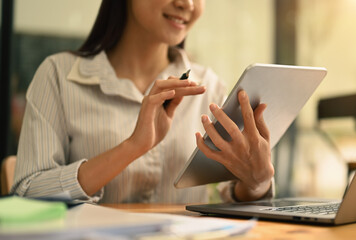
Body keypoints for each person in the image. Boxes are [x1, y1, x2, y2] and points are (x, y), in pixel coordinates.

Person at [11, 0, 274, 204]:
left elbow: (231, 194)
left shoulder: (209, 86)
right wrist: (133, 146)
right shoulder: (58, 76)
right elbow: (27, 193)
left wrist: (256, 182)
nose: (188, 4)